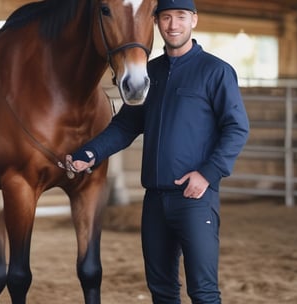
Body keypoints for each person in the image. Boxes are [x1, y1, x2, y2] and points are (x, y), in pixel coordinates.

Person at [66, 0, 249, 303]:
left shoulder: (216, 71)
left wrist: (207, 174)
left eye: (180, 17)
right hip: (154, 201)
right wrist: (90, 154)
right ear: (157, 22)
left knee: (203, 291)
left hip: (195, 199)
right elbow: (125, 126)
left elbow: (236, 129)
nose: (173, 25)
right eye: (166, 18)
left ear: (194, 21)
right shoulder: (151, 73)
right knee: (161, 291)